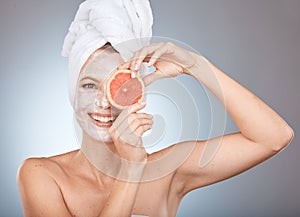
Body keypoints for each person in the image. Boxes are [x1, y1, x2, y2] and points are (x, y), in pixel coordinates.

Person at [16, 1, 294, 217]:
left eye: (118, 86)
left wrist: (196, 66)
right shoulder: (41, 174)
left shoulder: (169, 172)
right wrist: (131, 170)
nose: (102, 102)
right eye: (89, 85)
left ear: (137, 95)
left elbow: (274, 137)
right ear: (72, 94)